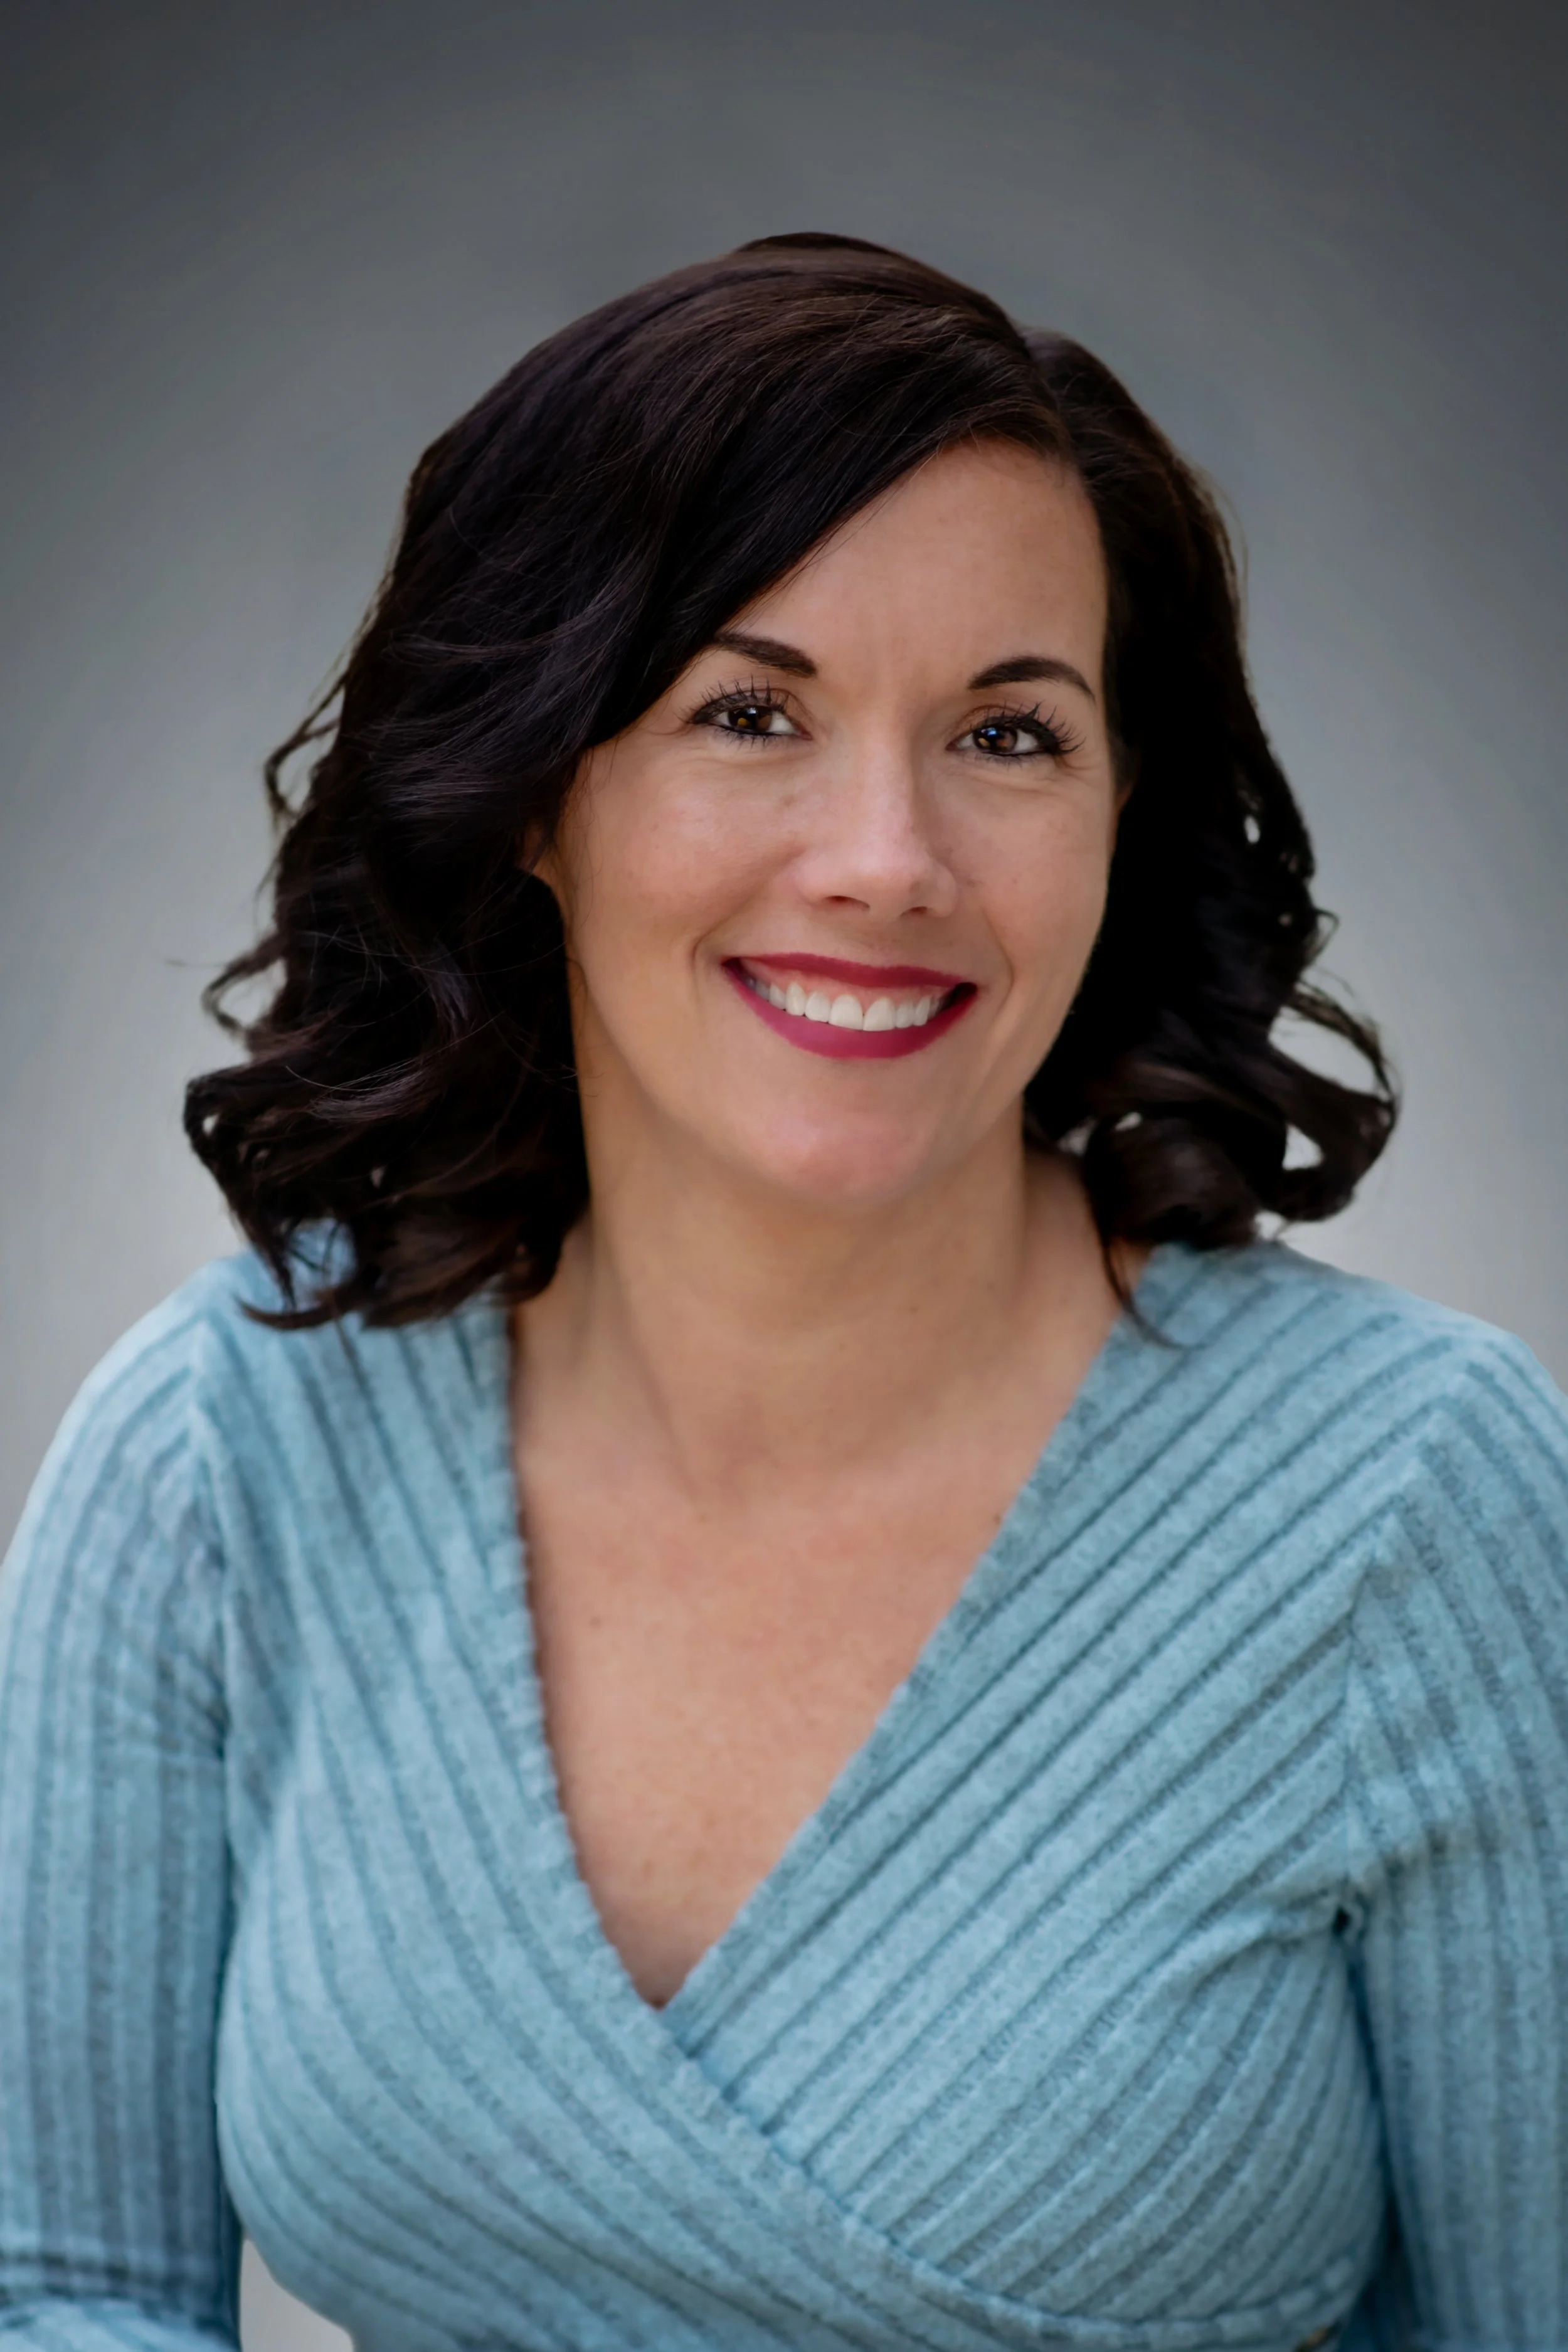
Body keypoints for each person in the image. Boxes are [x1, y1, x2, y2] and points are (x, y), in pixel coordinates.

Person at [1, 233, 1564, 2352]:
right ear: (538, 787)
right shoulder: (219, 1447)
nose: (884, 856)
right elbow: (63, 2288)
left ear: (1120, 814)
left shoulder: (1419, 1505)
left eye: (1009, 735)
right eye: (749, 711)